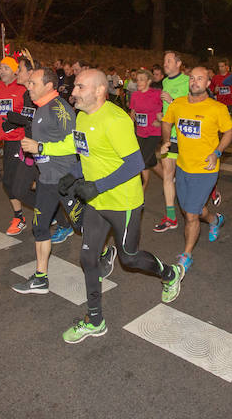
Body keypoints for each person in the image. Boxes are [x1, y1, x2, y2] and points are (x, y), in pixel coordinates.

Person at [59, 70, 184, 343]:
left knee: (129, 257)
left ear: (100, 91)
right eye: (75, 85)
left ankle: (169, 273)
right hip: (96, 203)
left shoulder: (116, 120)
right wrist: (76, 175)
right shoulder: (81, 117)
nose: (74, 91)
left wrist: (97, 186)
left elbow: (136, 164)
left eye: (81, 86)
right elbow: (89, 153)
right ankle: (95, 320)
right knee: (87, 258)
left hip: (123, 203)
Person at [12, 68, 79, 294]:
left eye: (32, 83)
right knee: (39, 227)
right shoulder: (40, 108)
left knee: (83, 225)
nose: (27, 87)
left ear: (48, 86)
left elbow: (74, 144)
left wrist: (40, 147)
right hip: (46, 179)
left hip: (65, 179)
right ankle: (41, 277)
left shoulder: (61, 109)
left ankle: (104, 253)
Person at [160, 66, 232, 271]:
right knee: (191, 209)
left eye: (200, 78)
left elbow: (229, 132)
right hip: (183, 167)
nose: (195, 82)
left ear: (208, 84)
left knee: (191, 216)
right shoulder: (178, 104)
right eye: (192, 78)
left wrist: (217, 152)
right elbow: (167, 122)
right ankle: (215, 219)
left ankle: (187, 254)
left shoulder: (216, 108)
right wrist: (166, 140)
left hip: (205, 169)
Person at [0, 57, 35, 234]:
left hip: (21, 141)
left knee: (11, 182)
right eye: (0, 67)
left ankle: (23, 216)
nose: (2, 71)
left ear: (15, 71)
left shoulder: (23, 88)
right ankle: (39, 209)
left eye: (6, 68)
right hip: (7, 142)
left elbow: (29, 115)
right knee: (13, 183)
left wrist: (16, 123)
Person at [153, 51, 190, 232]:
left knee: (189, 176)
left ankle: (209, 189)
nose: (165, 63)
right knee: (168, 175)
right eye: (164, 60)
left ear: (178, 63)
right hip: (169, 136)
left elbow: (192, 107)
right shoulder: (165, 82)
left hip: (186, 137)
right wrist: (162, 116)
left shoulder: (188, 81)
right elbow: (168, 109)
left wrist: (173, 100)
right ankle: (171, 217)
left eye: (169, 61)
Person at [129, 69, 162, 190]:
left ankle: (141, 190)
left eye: (142, 79)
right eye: (137, 80)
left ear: (149, 81)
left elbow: (169, 108)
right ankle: (169, 180)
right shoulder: (135, 95)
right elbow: (132, 113)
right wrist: (129, 126)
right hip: (140, 133)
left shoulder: (157, 94)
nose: (138, 82)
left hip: (153, 132)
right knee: (151, 161)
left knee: (141, 161)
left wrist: (160, 121)